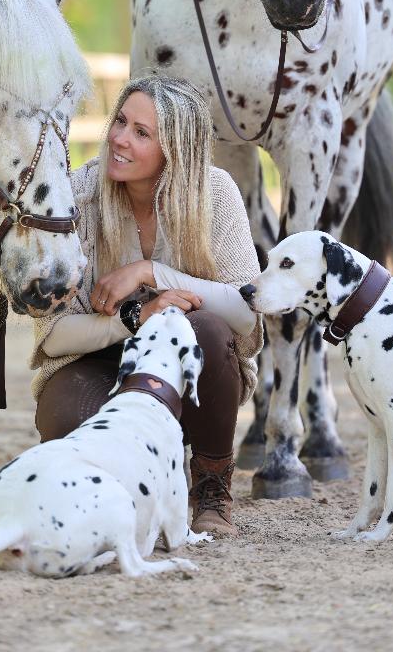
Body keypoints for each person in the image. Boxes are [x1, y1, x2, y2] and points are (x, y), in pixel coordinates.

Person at [31, 75, 263, 536]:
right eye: (120, 121)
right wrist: (134, 317)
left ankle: (211, 489)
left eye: (141, 133)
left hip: (185, 370)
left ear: (175, 150)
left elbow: (244, 313)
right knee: (65, 415)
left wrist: (151, 273)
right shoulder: (77, 196)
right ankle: (112, 499)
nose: (119, 138)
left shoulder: (215, 193)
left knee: (209, 330)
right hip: (97, 359)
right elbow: (53, 337)